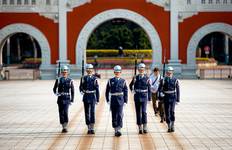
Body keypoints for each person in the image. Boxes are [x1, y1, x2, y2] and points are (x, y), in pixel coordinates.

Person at [105, 65, 128, 137]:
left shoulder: (123, 81)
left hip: (120, 99)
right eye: (116, 72)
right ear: (114, 72)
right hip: (113, 99)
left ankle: (119, 128)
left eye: (118, 72)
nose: (117, 73)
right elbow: (107, 91)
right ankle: (115, 128)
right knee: (114, 114)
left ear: (120, 72)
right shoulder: (110, 81)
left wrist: (125, 101)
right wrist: (108, 100)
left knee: (120, 114)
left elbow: (126, 91)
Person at [129, 63, 151, 134]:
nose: (141, 70)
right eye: (140, 69)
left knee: (144, 112)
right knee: (138, 112)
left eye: (142, 69)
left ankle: (145, 126)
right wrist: (132, 89)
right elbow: (130, 85)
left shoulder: (147, 78)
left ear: (144, 69)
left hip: (144, 96)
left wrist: (149, 98)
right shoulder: (135, 77)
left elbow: (149, 89)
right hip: (137, 96)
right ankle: (139, 127)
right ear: (138, 69)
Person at [53, 65, 74, 133]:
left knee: (65, 112)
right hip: (60, 98)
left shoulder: (70, 80)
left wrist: (72, 99)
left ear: (68, 72)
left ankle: (66, 125)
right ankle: (63, 126)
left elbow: (72, 91)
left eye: (66, 71)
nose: (64, 72)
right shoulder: (58, 80)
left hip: (67, 98)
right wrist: (57, 94)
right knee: (61, 112)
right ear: (61, 72)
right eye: (63, 71)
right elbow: (54, 89)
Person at [79, 64, 100, 134]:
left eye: (90, 69)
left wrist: (97, 99)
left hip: (92, 96)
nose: (89, 70)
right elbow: (80, 87)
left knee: (92, 112)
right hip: (86, 96)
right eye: (88, 69)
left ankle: (92, 127)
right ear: (86, 70)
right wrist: (82, 91)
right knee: (87, 112)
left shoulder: (95, 79)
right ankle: (88, 127)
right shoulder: (83, 78)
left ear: (92, 70)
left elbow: (97, 89)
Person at [158, 66, 180, 132]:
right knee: (167, 112)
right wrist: (160, 95)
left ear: (172, 72)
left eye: (170, 72)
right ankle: (169, 125)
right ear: (166, 73)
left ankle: (172, 124)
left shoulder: (175, 80)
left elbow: (178, 90)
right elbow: (160, 89)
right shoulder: (163, 80)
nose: (169, 73)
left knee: (172, 111)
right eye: (168, 72)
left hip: (173, 97)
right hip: (166, 97)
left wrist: (177, 100)